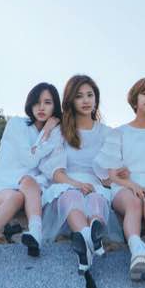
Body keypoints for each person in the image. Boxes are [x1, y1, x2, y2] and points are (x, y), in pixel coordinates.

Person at [0, 82, 62, 263]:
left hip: (29, 188)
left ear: (55, 106)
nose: (41, 107)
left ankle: (35, 234)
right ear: (30, 104)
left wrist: (50, 131)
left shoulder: (57, 133)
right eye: (37, 102)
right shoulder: (17, 124)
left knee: (27, 184)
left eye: (47, 102)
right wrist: (46, 131)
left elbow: (49, 168)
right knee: (19, 192)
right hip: (1, 185)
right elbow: (29, 160)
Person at [95, 77, 145, 279]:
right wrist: (132, 184)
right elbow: (112, 175)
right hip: (124, 185)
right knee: (134, 204)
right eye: (144, 93)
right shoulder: (118, 133)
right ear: (135, 99)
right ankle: (137, 250)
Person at [40, 74, 114, 273]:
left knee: (96, 197)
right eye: (79, 96)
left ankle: (92, 236)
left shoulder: (107, 133)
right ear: (71, 101)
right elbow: (56, 172)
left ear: (96, 99)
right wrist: (76, 184)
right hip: (66, 182)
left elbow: (108, 175)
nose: (86, 100)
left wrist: (115, 176)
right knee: (71, 195)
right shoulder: (61, 131)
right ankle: (86, 236)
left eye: (90, 95)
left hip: (95, 185)